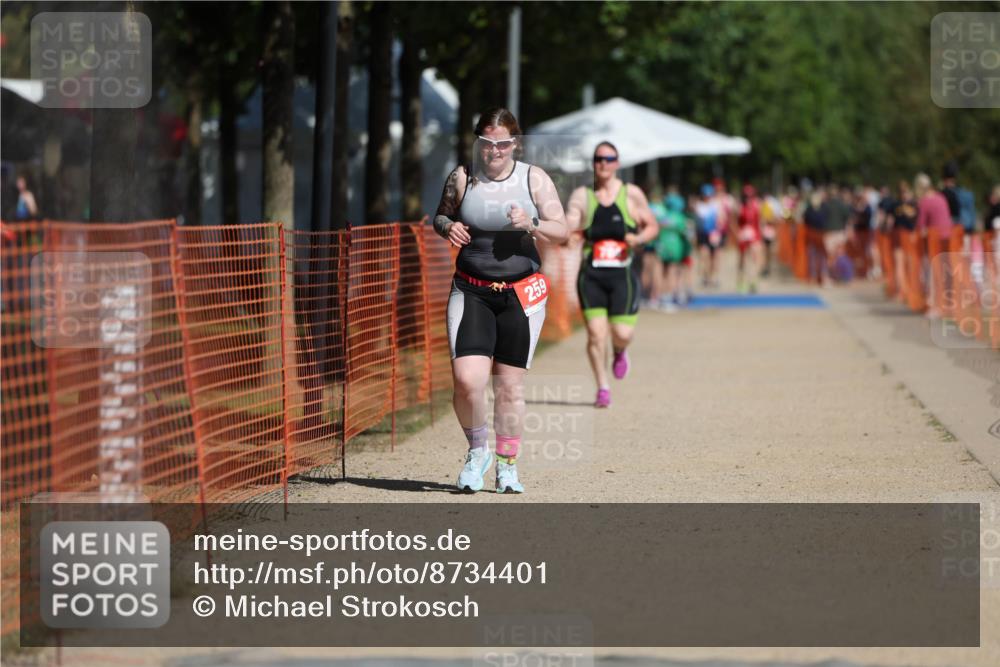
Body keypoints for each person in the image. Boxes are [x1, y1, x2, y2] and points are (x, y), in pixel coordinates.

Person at [433, 107, 568, 494]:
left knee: (508, 387)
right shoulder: (462, 177)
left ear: (515, 144)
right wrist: (449, 226)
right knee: (466, 380)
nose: (495, 151)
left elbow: (562, 230)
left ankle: (507, 465)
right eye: (487, 143)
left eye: (503, 143)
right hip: (471, 290)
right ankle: (478, 451)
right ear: (478, 142)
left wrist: (531, 223)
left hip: (520, 294)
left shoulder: (534, 179)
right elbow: (439, 217)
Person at [564, 141, 657, 408]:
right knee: (595, 333)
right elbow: (569, 224)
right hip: (591, 275)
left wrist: (639, 238)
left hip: (622, 275)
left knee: (623, 333)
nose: (603, 164)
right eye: (598, 159)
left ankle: (620, 349)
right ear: (593, 163)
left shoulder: (631, 194)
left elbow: (652, 225)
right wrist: (568, 235)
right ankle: (602, 388)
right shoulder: (582, 196)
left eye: (608, 159)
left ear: (617, 163)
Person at [735, 184, 764, 293]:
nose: (748, 198)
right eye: (746, 196)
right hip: (743, 236)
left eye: (750, 196)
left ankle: (753, 281)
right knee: (743, 260)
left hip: (754, 236)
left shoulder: (757, 206)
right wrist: (738, 233)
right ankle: (741, 282)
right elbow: (734, 222)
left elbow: (760, 221)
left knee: (756, 259)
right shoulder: (740, 208)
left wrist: (760, 236)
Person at [694, 184, 722, 287]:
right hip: (703, 234)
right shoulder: (699, 206)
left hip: (714, 234)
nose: (707, 197)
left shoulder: (716, 205)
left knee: (714, 257)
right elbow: (698, 222)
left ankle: (713, 277)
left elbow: (720, 219)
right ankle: (705, 276)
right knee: (704, 255)